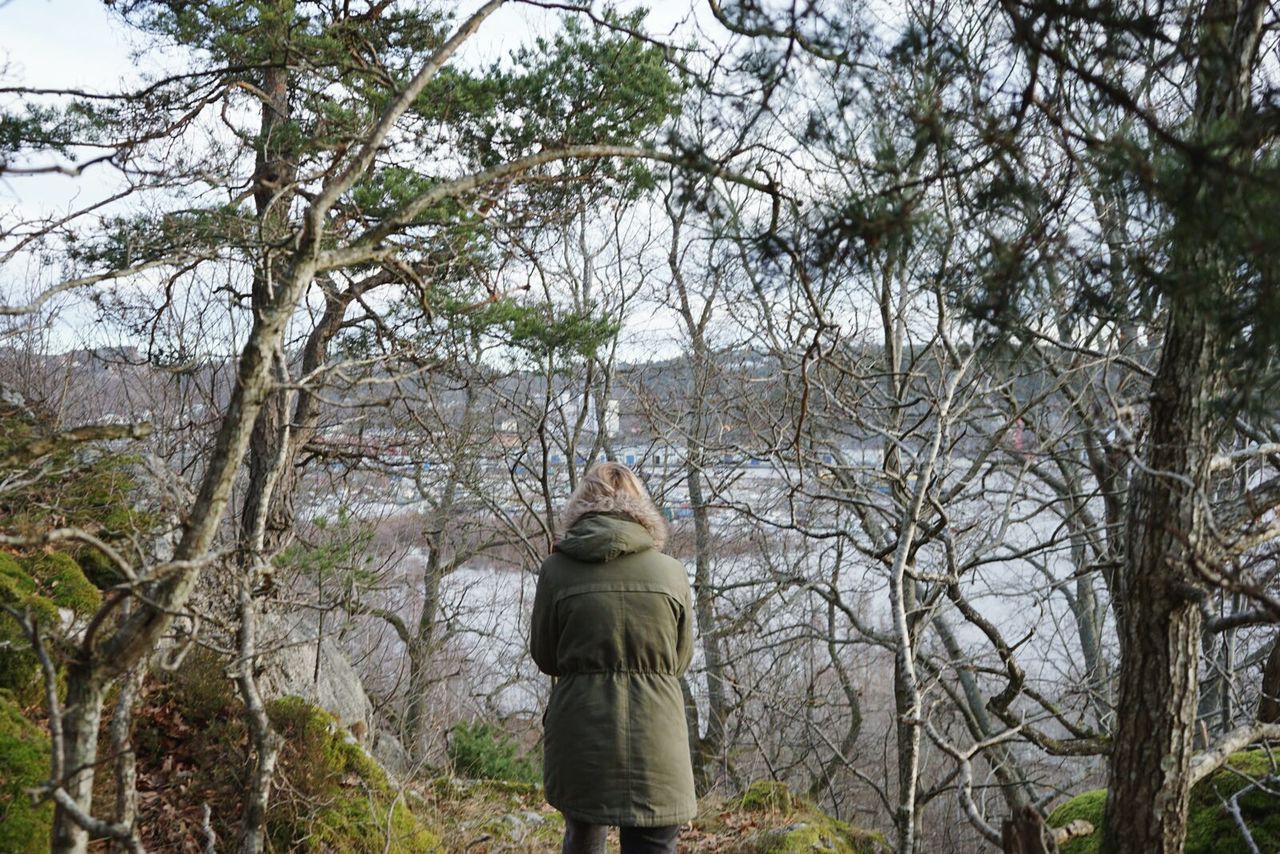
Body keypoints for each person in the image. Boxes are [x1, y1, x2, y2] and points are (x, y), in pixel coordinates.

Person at [530, 462, 696, 854]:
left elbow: (545, 656)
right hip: (657, 736)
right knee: (654, 844)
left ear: (581, 504)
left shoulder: (556, 570)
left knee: (583, 839)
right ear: (641, 507)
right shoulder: (671, 574)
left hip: (581, 734)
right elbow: (681, 660)